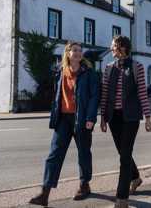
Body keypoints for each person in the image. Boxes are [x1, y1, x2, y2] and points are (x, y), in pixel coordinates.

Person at [29, 41, 99, 206]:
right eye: (74, 50)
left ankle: (84, 185)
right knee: (54, 155)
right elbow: (58, 96)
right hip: (63, 119)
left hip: (81, 118)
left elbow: (94, 97)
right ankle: (44, 193)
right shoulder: (61, 72)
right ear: (68, 53)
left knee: (83, 153)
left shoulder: (89, 73)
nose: (78, 53)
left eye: (80, 51)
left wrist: (90, 119)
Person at [100, 35, 151, 208]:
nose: (111, 48)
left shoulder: (137, 67)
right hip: (114, 118)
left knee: (124, 157)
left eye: (113, 45)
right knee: (124, 153)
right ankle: (136, 177)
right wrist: (103, 118)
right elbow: (105, 94)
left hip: (130, 117)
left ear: (122, 47)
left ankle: (121, 198)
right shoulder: (108, 68)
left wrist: (148, 118)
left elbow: (142, 94)